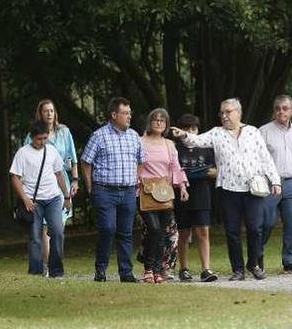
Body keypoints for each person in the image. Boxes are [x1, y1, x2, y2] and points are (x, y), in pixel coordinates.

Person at [170, 98, 281, 281]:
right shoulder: (216, 133)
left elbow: (265, 158)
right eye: (222, 112)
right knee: (232, 231)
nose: (224, 116)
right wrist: (183, 135)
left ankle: (253, 263)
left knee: (255, 228)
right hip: (228, 189)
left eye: (228, 112)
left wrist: (275, 181)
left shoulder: (253, 132)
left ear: (238, 113)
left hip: (253, 188)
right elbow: (196, 141)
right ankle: (238, 270)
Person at [81, 97, 146, 283]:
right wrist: (90, 185)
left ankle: (126, 273)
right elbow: (86, 162)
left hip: (127, 191)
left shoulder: (134, 136)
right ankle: (100, 270)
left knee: (126, 232)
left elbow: (141, 161)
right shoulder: (99, 135)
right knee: (107, 229)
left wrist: (136, 179)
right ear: (114, 115)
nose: (129, 117)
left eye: (130, 113)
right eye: (125, 113)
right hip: (104, 190)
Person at [23, 99, 79, 275]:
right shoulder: (33, 135)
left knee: (58, 228)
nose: (49, 114)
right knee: (45, 229)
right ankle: (47, 267)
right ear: (40, 114)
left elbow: (73, 157)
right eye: (45, 111)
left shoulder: (64, 132)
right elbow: (26, 159)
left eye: (52, 111)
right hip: (41, 185)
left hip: (61, 181)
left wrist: (75, 180)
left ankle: (55, 264)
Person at [10, 120, 72, 278]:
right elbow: (15, 177)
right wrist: (25, 199)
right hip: (33, 200)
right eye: (39, 139)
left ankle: (56, 270)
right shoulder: (23, 153)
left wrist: (66, 196)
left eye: (45, 138)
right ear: (32, 137)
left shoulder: (51, 151)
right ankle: (36, 271)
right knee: (35, 237)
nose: (42, 142)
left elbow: (59, 174)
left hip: (53, 198)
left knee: (57, 232)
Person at [260, 95, 292, 272]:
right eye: (277, 108)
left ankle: (289, 260)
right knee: (266, 222)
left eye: (284, 108)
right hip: (270, 185)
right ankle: (257, 256)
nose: (280, 111)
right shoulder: (263, 131)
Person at [137, 108, 189, 283]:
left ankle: (158, 270)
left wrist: (182, 187)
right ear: (150, 122)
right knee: (153, 228)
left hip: (165, 192)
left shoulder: (169, 144)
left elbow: (175, 167)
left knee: (162, 232)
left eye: (162, 120)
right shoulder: (139, 142)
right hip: (145, 191)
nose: (159, 123)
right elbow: (134, 165)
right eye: (155, 120)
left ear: (166, 124)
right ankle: (148, 268)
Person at [173, 114, 219, 282]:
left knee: (203, 231)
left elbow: (217, 170)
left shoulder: (206, 147)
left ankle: (206, 269)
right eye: (186, 129)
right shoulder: (174, 148)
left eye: (193, 129)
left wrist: (210, 172)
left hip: (202, 192)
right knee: (183, 232)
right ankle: (183, 268)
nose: (190, 132)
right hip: (181, 194)